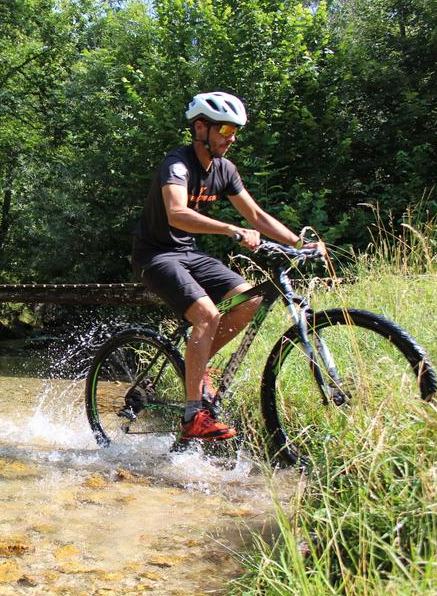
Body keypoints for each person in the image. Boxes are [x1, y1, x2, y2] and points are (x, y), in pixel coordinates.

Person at [131, 91, 325, 441]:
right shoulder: (177, 164)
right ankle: (193, 417)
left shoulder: (224, 169)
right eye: (224, 129)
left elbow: (256, 215)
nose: (231, 137)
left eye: (235, 130)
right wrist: (230, 229)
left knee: (248, 299)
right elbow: (177, 213)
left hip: (188, 252)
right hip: (155, 256)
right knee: (207, 315)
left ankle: (199, 365)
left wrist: (298, 243)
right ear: (201, 127)